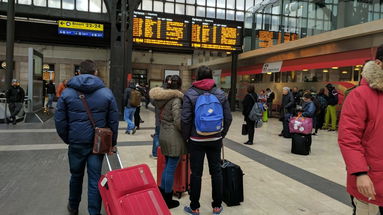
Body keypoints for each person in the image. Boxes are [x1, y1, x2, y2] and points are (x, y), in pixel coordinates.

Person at [55, 60, 119, 215]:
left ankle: (73, 207)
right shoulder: (106, 93)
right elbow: (113, 121)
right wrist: (112, 142)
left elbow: (59, 121)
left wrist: (68, 138)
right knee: (94, 179)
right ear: (95, 72)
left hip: (76, 143)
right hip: (97, 144)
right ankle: (94, 212)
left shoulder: (67, 93)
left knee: (76, 176)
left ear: (79, 72)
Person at [182, 66, 232, 215]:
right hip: (215, 138)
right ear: (211, 77)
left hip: (196, 139)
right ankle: (216, 206)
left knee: (196, 173)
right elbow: (228, 117)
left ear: (197, 77)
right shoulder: (220, 93)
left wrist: (186, 137)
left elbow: (185, 119)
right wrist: (221, 135)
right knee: (216, 172)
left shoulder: (190, 93)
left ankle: (194, 207)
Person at [338, 57, 383, 215]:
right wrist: (360, 173)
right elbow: (349, 138)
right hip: (370, 182)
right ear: (378, 63)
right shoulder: (360, 95)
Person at [151, 75, 187, 209]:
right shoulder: (176, 99)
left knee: (167, 166)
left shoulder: (161, 98)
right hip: (173, 137)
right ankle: (167, 199)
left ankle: (162, 191)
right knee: (171, 168)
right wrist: (186, 131)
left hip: (163, 134)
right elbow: (178, 120)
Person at [149, 75, 172, 159]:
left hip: (159, 118)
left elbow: (152, 101)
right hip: (169, 119)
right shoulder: (173, 92)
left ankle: (156, 153)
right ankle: (164, 153)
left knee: (157, 135)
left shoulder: (158, 91)